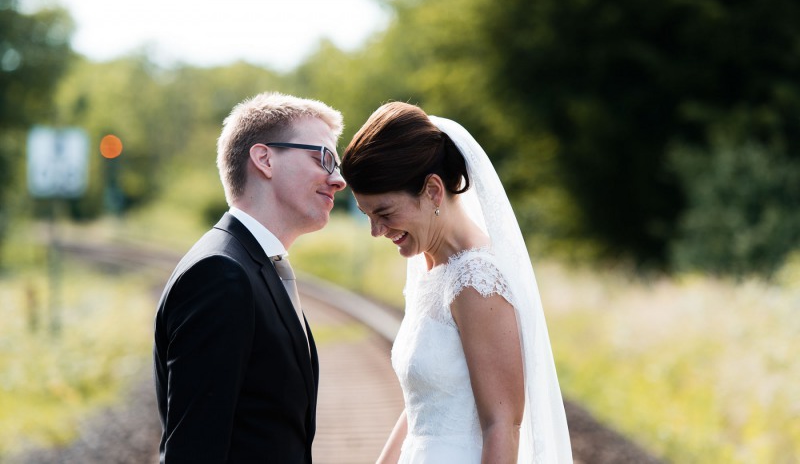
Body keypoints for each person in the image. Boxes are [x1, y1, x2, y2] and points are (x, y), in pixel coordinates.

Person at [341, 102, 572, 463]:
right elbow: (424, 406)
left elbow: (503, 425)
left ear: (433, 190)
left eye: (384, 213)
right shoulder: (432, 268)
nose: (375, 231)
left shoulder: (477, 281)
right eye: (368, 215)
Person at [153, 91, 347, 463]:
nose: (337, 179)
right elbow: (192, 451)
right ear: (264, 159)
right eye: (323, 157)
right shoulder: (220, 275)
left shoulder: (251, 265)